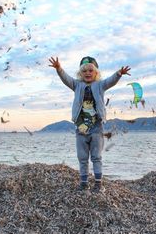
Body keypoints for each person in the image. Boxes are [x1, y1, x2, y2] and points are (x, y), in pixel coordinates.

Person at [49, 56, 130, 193]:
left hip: (96, 127)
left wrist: (119, 74)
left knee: (96, 156)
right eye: (84, 71)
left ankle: (98, 184)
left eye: (90, 70)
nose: (87, 73)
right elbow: (66, 79)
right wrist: (59, 68)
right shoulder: (77, 85)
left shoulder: (100, 85)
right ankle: (84, 183)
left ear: (96, 73)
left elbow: (111, 81)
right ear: (80, 73)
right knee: (82, 157)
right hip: (80, 127)